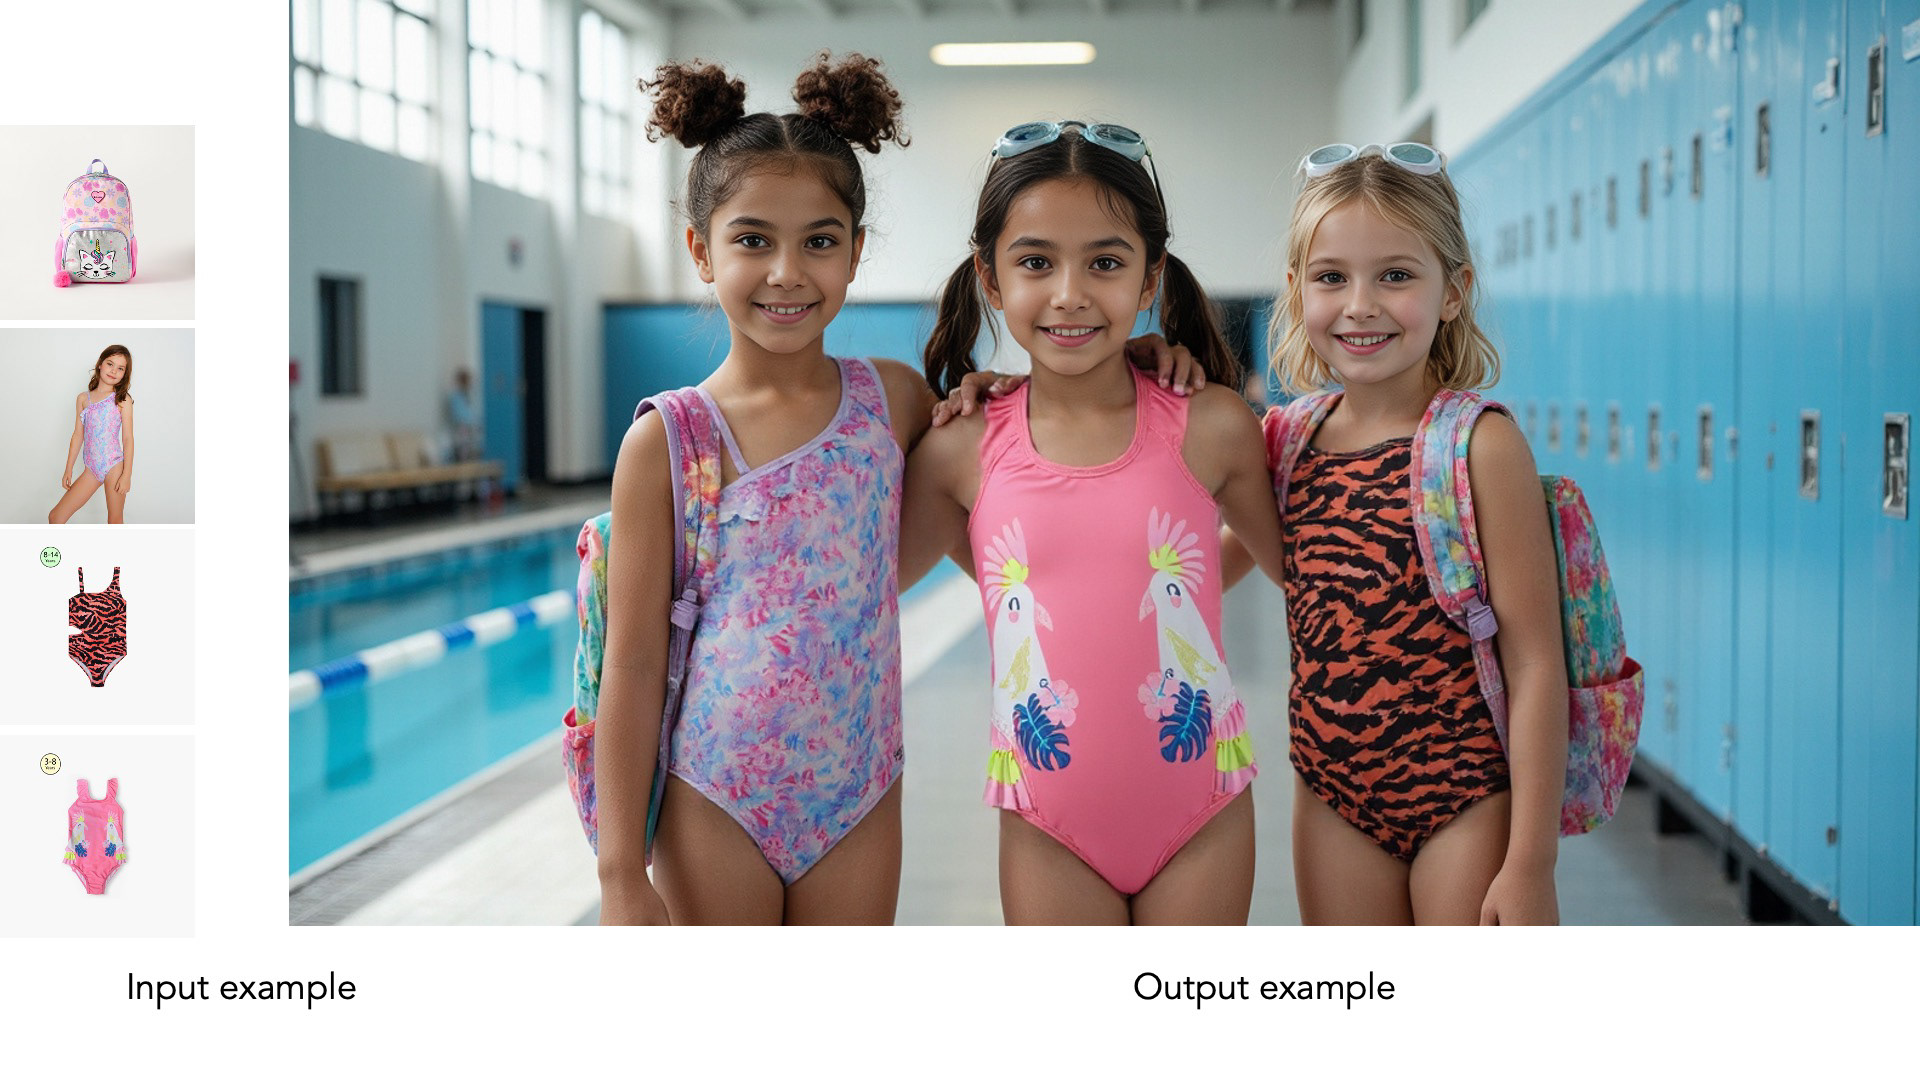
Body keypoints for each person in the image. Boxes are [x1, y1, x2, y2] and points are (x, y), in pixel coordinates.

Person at [902, 120, 1286, 924]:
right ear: (990, 277)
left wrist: (1175, 582)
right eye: (1036, 262)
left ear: (1150, 279)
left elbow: (1292, 563)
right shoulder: (960, 449)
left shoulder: (1211, 425)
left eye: (1106, 263)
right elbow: (873, 588)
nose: (1070, 293)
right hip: (1047, 820)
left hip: (1203, 805)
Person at [1240, 142, 1568, 924]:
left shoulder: (1481, 446)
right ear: (1296, 289)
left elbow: (1535, 663)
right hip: (1331, 794)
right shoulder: (1285, 442)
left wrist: (1532, 861)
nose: (1361, 304)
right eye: (1331, 277)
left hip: (1465, 792)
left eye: (1395, 275)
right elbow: (1186, 566)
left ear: (1453, 291)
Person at [49, 345, 135, 525]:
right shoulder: (83, 399)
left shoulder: (122, 399)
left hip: (114, 465)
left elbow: (128, 439)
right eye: (110, 364)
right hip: (91, 468)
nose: (114, 371)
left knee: (115, 520)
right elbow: (77, 435)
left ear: (124, 374)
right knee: (56, 517)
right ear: (100, 364)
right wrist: (68, 468)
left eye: (120, 368)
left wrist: (126, 475)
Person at [447, 367, 479, 462]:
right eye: (466, 381)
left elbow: (472, 413)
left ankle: (469, 460)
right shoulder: (455, 397)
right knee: (463, 448)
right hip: (462, 426)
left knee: (472, 448)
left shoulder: (468, 395)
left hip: (470, 426)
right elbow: (457, 414)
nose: (468, 384)